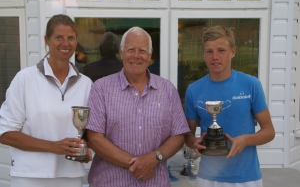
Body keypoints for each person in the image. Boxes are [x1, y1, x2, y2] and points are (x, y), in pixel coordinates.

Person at [85, 26, 190, 187]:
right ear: (121, 53)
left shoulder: (167, 89)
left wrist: (155, 158)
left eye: (142, 50)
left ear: (150, 55)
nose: (136, 56)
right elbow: (94, 138)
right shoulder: (101, 88)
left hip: (155, 183)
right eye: (130, 49)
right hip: (110, 182)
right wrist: (137, 164)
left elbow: (179, 134)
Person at [0, 14, 93, 187]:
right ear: (46, 40)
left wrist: (85, 148)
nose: (65, 43)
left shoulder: (86, 84)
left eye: (70, 38)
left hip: (70, 175)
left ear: (76, 41)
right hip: (29, 176)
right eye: (58, 37)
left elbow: (89, 131)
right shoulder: (25, 79)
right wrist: (53, 147)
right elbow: (5, 133)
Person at [185, 26, 275, 187]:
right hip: (207, 178)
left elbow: (269, 131)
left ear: (232, 52)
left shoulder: (251, 84)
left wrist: (246, 140)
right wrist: (194, 143)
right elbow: (187, 135)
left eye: (221, 50)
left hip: (246, 177)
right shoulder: (194, 90)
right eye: (209, 51)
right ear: (204, 54)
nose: (215, 57)